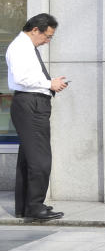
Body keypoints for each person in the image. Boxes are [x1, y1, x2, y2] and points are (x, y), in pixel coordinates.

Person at [6, 13, 68, 221]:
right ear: (35, 30)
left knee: (29, 158)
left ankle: (27, 207)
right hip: (30, 104)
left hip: (32, 103)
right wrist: (49, 84)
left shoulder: (25, 47)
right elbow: (21, 78)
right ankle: (34, 208)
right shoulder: (20, 47)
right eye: (47, 36)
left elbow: (28, 77)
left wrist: (50, 83)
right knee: (40, 159)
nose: (48, 41)